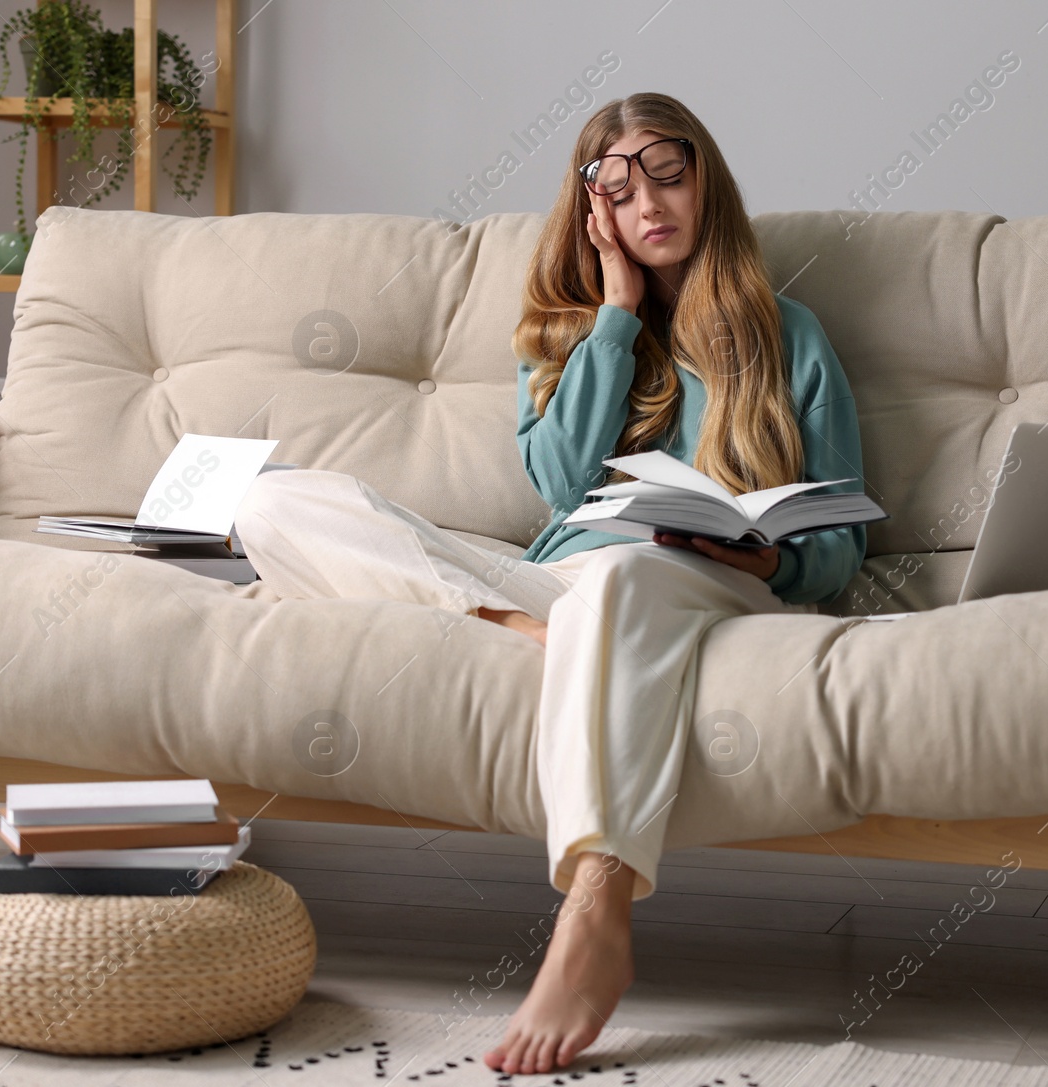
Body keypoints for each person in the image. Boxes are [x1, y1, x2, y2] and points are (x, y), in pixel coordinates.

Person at [232, 92, 864, 1076]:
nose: (649, 200)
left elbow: (834, 544)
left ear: (706, 178)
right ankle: (516, 630)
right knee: (272, 504)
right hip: (556, 582)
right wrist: (614, 315)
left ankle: (596, 902)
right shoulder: (571, 335)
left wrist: (767, 556)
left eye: (668, 170)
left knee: (621, 579)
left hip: (703, 584)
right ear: (591, 212)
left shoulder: (791, 335)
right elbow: (562, 488)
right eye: (616, 185)